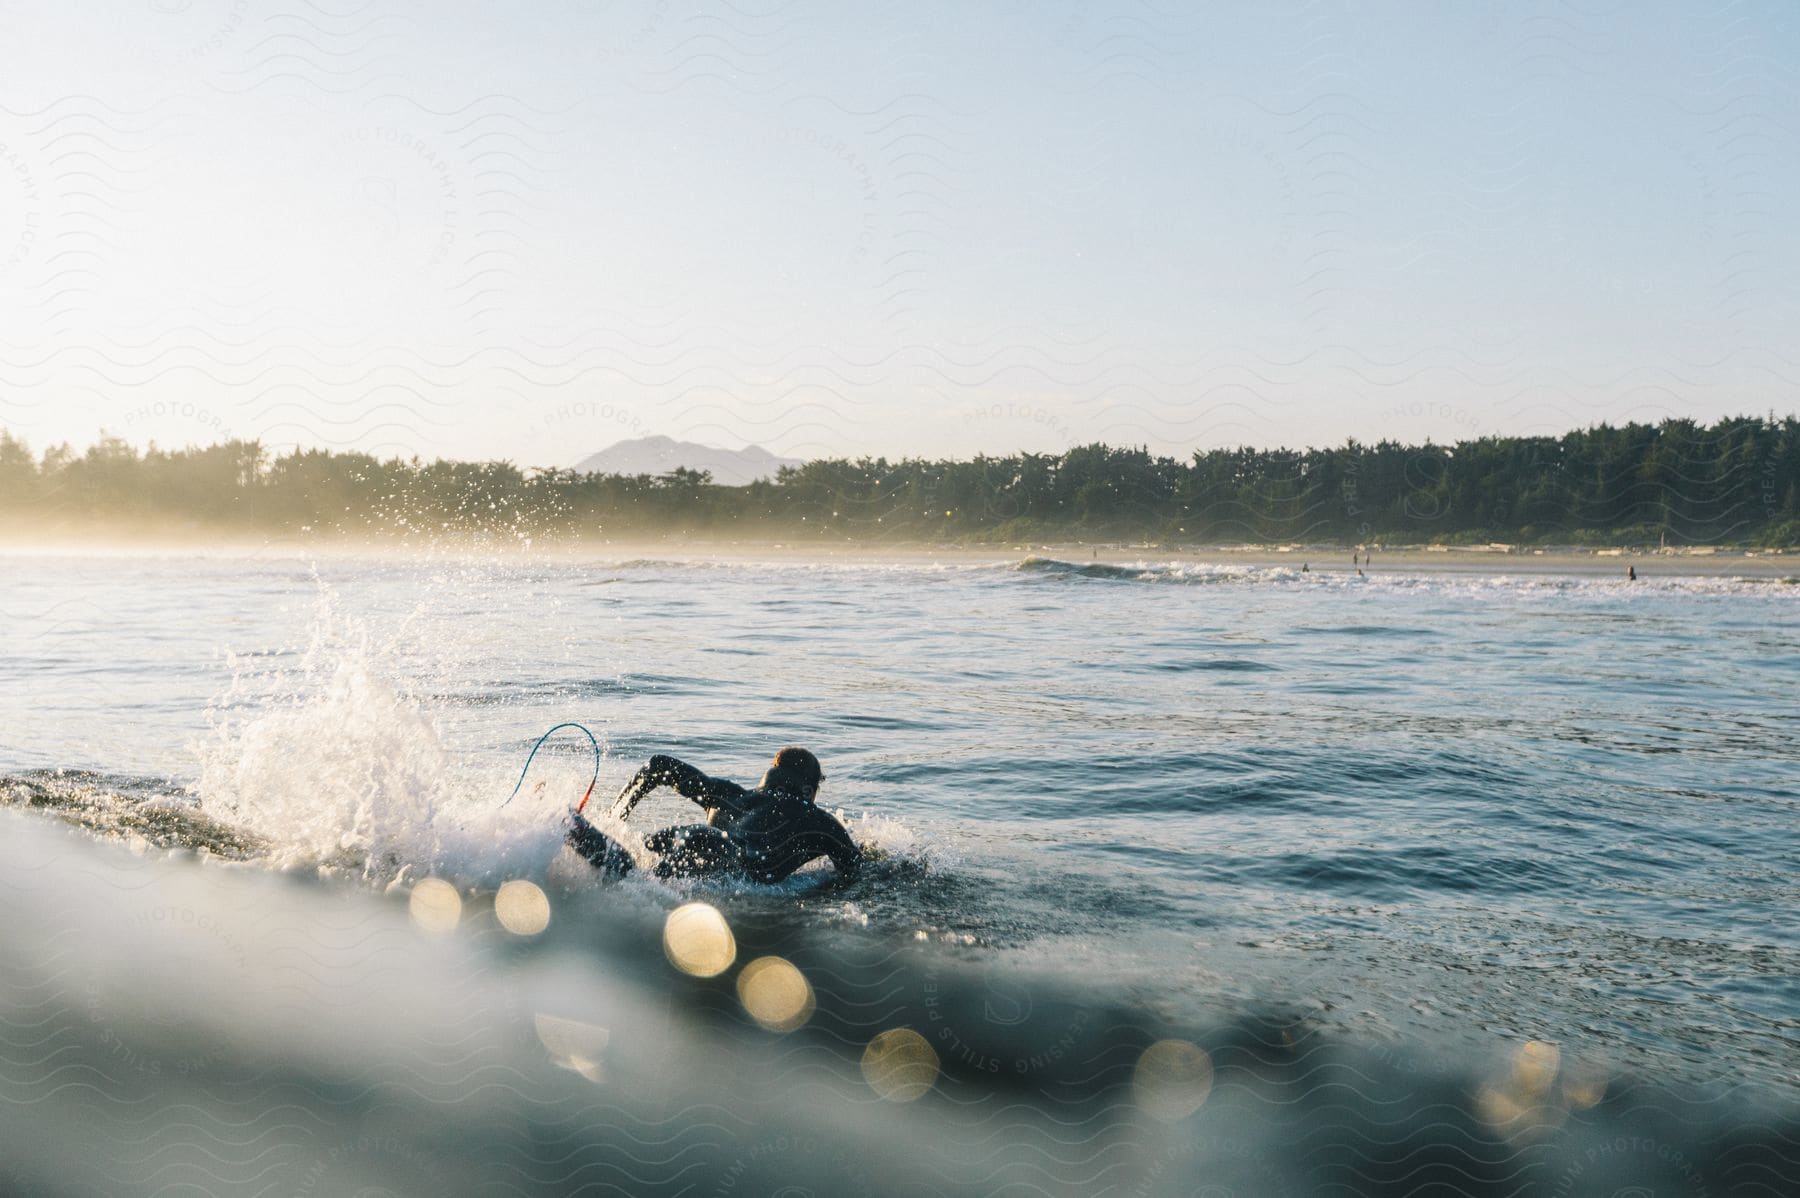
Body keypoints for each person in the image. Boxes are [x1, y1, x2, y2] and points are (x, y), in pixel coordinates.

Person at [565, 747, 861, 884]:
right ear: (808, 790)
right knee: (640, 882)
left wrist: (615, 818)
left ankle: (570, 823)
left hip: (691, 834)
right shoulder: (817, 819)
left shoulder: (728, 793)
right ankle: (574, 828)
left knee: (636, 876)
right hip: (728, 855)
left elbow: (657, 765)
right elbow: (854, 868)